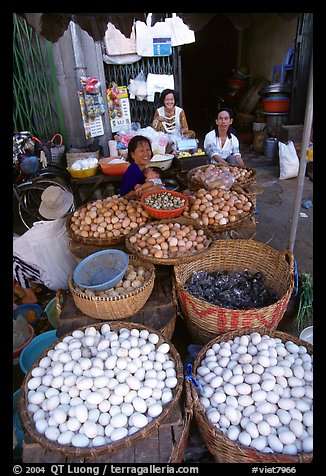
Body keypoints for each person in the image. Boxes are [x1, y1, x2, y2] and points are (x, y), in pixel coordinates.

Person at [13, 186, 77, 304]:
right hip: (79, 273)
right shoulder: (75, 221)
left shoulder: (35, 233)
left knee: (15, 261)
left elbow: (16, 249)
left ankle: (29, 295)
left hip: (58, 283)